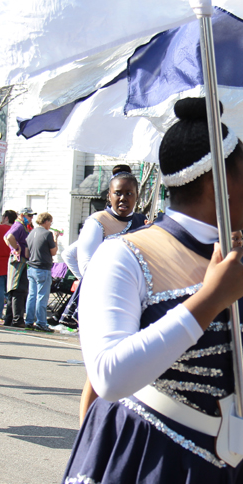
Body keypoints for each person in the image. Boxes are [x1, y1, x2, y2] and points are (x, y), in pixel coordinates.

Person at [51, 98, 243, 484]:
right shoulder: (124, 256)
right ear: (218, 184)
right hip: (148, 461)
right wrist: (207, 301)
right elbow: (109, 375)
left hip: (233, 461)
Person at [74, 165, 148, 423]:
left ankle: (116, 426)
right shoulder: (97, 222)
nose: (123, 198)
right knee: (98, 371)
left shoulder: (141, 223)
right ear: (109, 195)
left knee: (127, 369)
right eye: (118, 193)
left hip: (134, 304)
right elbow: (78, 260)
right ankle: (86, 428)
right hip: (102, 305)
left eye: (129, 194)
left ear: (137, 196)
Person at [26, 212, 60, 332]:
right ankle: (41, 322)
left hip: (31, 267)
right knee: (42, 297)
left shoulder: (31, 233)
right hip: (43, 268)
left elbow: (26, 252)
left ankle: (29, 321)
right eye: (50, 222)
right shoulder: (47, 234)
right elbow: (53, 252)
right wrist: (56, 238)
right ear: (46, 221)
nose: (50, 224)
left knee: (31, 296)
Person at [4, 207, 33, 327]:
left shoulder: (20, 226)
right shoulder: (19, 226)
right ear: (22, 215)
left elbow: (5, 237)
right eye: (29, 216)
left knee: (14, 291)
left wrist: (13, 248)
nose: (31, 218)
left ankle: (9, 319)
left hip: (18, 260)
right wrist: (16, 248)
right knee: (19, 290)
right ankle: (17, 320)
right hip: (19, 261)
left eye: (31, 216)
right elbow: (9, 237)